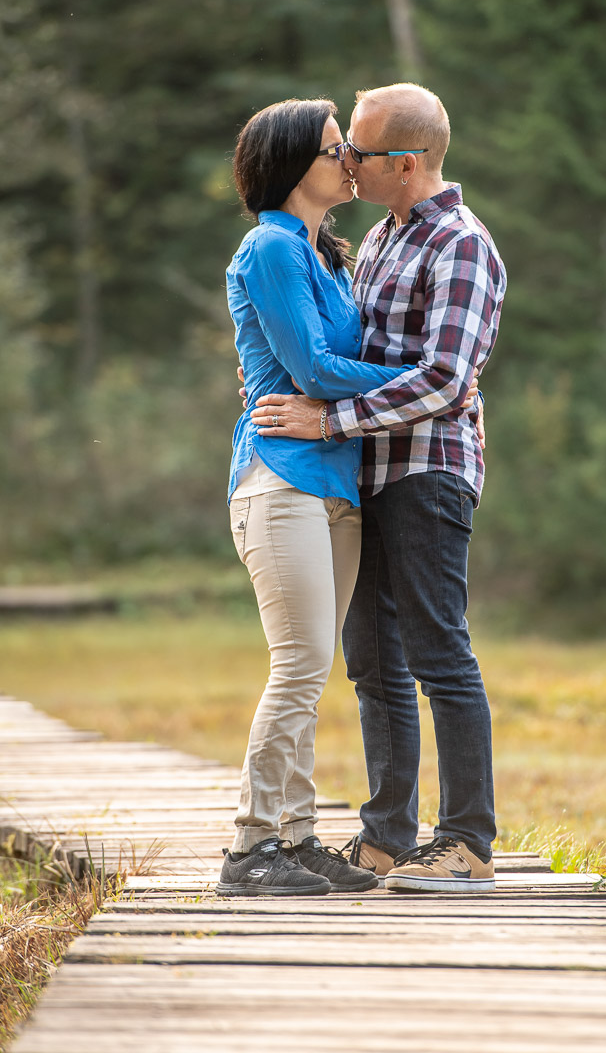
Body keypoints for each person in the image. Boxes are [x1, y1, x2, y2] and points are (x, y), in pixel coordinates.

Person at [253, 83, 507, 892]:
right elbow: (338, 346)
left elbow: (443, 379)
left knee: (439, 651)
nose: (347, 162)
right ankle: (387, 836)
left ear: (406, 161)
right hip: (370, 473)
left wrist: (330, 418)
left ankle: (466, 842)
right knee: (372, 661)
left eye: (357, 151)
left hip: (429, 469)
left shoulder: (461, 245)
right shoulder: (381, 239)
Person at [218, 97, 437, 897]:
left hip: (335, 482)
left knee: (310, 670)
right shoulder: (270, 246)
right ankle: (250, 849)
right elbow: (310, 370)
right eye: (334, 147)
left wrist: (399, 384)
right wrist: (429, 385)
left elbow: (331, 362)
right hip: (280, 478)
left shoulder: (326, 255)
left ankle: (297, 837)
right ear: (292, 166)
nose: (350, 157)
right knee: (301, 664)